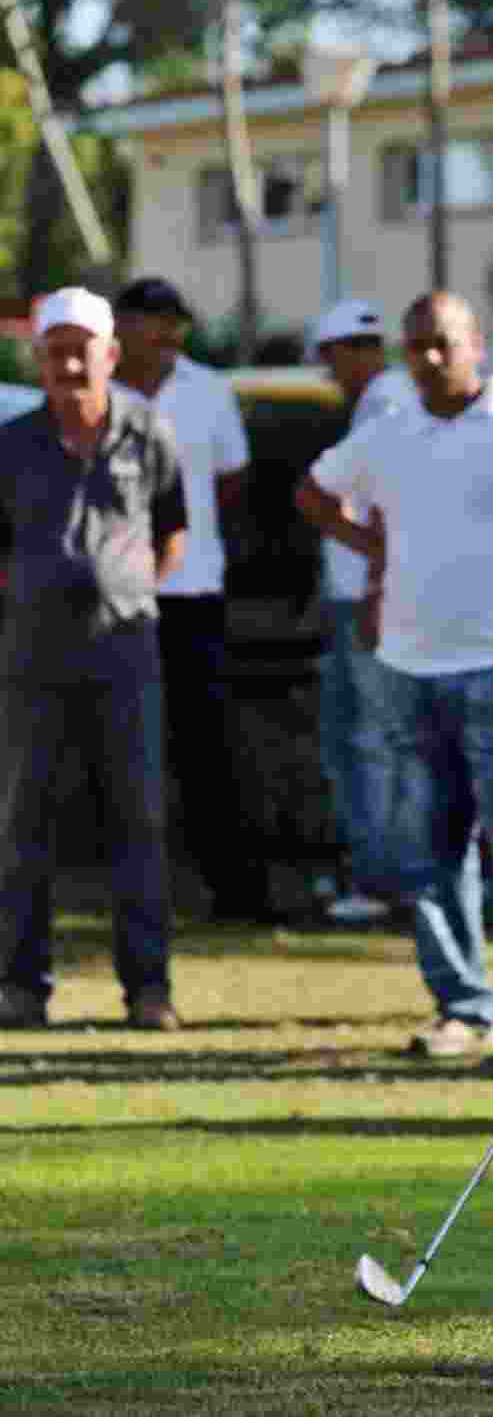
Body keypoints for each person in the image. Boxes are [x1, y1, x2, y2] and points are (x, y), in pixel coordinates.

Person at [294, 291, 493, 1063]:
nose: (428, 359)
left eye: (442, 344)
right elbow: (314, 494)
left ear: (475, 348)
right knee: (430, 856)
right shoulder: (390, 433)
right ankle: (463, 1010)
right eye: (416, 346)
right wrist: (378, 554)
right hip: (408, 667)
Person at [0, 287, 188, 1030]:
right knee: (21, 822)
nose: (69, 362)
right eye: (55, 351)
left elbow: (172, 529)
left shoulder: (148, 432)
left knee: (138, 818)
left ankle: (149, 990)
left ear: (111, 354)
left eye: (83, 348)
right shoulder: (10, 443)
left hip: (126, 650)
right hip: (32, 655)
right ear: (38, 360)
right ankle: (19, 988)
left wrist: (131, 588)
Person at [112, 276, 280, 926]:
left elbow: (232, 486)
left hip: (195, 596)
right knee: (119, 748)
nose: (163, 333)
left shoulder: (210, 393)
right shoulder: (97, 392)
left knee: (209, 752)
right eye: (149, 320)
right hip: (115, 598)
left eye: (172, 321)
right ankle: (127, 893)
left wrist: (203, 551)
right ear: (121, 328)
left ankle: (237, 894)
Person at [297, 298, 419, 924]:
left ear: (349, 353)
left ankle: (384, 882)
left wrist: (375, 568)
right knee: (362, 739)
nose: (332, 374)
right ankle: (381, 877)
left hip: (371, 599)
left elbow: (387, 506)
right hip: (362, 595)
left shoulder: (386, 401)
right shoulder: (387, 399)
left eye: (333, 360)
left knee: (374, 741)